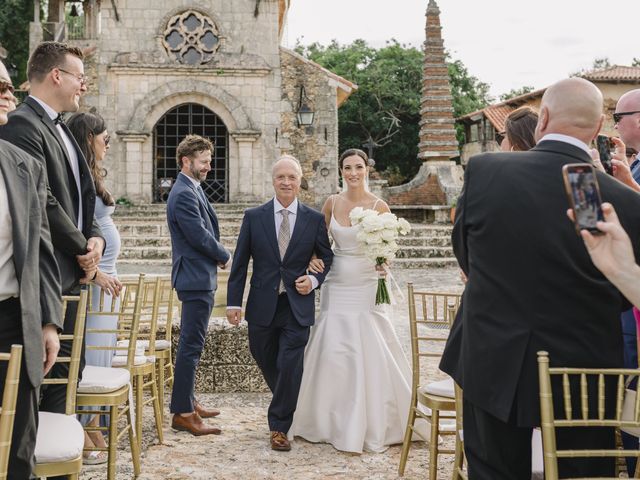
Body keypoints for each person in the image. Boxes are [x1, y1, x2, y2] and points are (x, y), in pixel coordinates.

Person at [439, 77, 640, 479]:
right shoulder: (621, 199)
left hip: (492, 353)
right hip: (583, 366)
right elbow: (624, 295)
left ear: (542, 117)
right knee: (582, 471)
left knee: (494, 470)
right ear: (599, 126)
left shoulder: (486, 172)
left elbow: (467, 257)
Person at [288, 148, 425, 453]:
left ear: (367, 169)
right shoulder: (332, 203)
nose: (353, 172)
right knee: (334, 349)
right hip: (336, 284)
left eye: (358, 167)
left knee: (370, 345)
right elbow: (318, 242)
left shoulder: (380, 206)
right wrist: (312, 259)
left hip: (366, 284)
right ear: (341, 171)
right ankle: (326, 420)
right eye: (347, 167)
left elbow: (388, 249)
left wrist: (383, 262)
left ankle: (376, 421)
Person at [0, 41, 105, 419]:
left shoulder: (62, 129)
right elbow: (42, 201)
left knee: (68, 372)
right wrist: (84, 248)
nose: (84, 85)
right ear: (57, 75)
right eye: (79, 77)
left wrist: (96, 237)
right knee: (47, 378)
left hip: (73, 268)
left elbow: (81, 194)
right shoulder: (23, 125)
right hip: (51, 273)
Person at [226, 155, 333, 452]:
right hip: (261, 303)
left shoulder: (313, 220)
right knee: (263, 354)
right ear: (272, 180)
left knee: (290, 362)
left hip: (296, 305)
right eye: (281, 177)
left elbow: (327, 257)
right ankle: (289, 401)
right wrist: (234, 302)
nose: (286, 182)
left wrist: (313, 281)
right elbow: (240, 263)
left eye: (292, 177)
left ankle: (279, 427)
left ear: (300, 182)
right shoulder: (254, 216)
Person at [0, 59, 63, 479]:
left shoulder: (24, 165)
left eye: (8, 84)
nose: (10, 94)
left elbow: (41, 250)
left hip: (11, 318)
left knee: (19, 442)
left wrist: (49, 322)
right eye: (1, 86)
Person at [67, 111, 122, 464]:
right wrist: (98, 273)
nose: (107, 143)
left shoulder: (91, 175)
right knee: (92, 356)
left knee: (102, 353)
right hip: (95, 281)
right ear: (89, 137)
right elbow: (77, 230)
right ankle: (86, 431)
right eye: (103, 137)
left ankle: (96, 424)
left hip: (107, 280)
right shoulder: (77, 178)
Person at [167, 134, 230, 436]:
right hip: (194, 278)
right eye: (203, 162)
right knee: (190, 346)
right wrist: (224, 255)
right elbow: (198, 235)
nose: (208, 167)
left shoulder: (192, 188)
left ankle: (188, 399)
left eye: (209, 161)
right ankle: (183, 413)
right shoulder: (183, 193)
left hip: (197, 276)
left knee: (194, 344)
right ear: (186, 161)